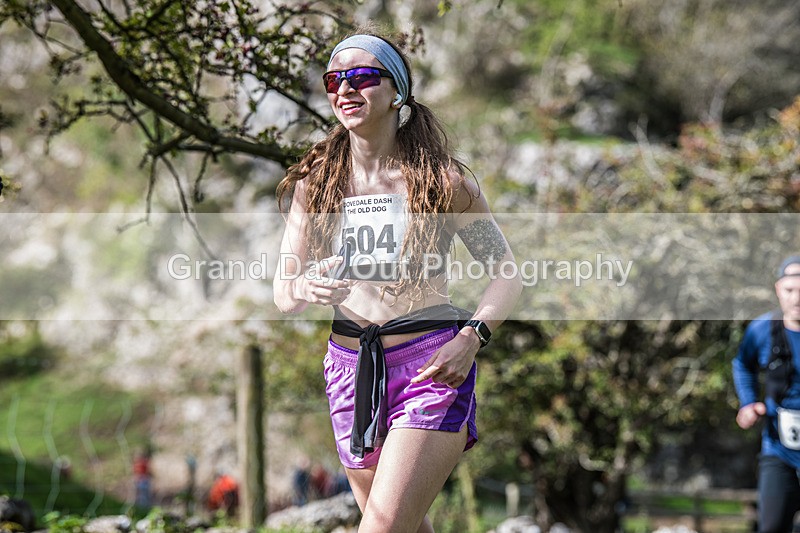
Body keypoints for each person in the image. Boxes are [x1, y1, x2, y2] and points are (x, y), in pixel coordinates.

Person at [273, 27, 522, 532]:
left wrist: (471, 340)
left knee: (382, 528)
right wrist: (306, 287)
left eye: (362, 77)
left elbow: (508, 274)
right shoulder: (314, 184)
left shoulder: (443, 183)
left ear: (396, 93)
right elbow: (285, 291)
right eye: (334, 79)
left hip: (430, 367)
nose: (345, 89)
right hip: (350, 370)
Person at [734, 256, 800, 533]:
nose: (797, 298)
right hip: (779, 449)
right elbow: (742, 364)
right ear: (778, 290)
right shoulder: (762, 330)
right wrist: (748, 403)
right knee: (771, 527)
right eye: (790, 290)